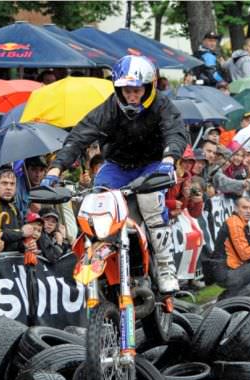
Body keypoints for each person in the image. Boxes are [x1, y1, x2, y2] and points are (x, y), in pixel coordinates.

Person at [43, 55, 188, 293]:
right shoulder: (110, 107)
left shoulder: (162, 105)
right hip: (117, 165)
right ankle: (95, 256)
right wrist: (55, 169)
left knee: (150, 201)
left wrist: (169, 159)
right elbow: (80, 135)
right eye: (125, 90)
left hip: (153, 164)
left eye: (136, 90)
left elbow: (175, 131)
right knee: (95, 199)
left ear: (148, 87)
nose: (131, 96)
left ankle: (165, 266)